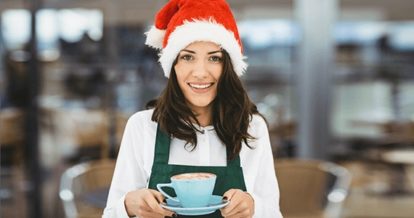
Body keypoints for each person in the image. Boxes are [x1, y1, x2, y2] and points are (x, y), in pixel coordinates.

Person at [103, 0, 282, 217]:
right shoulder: (143, 126)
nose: (200, 72)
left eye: (214, 58)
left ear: (228, 67)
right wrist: (127, 206)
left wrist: (255, 208)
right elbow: (111, 213)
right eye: (188, 57)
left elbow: (273, 213)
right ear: (173, 65)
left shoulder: (252, 127)